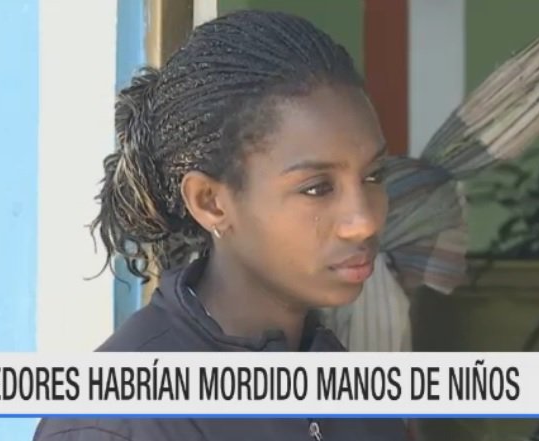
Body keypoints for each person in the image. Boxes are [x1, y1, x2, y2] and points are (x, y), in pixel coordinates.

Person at [33, 9, 410, 441]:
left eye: (373, 176)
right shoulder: (119, 420)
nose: (363, 222)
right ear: (210, 202)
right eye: (316, 188)